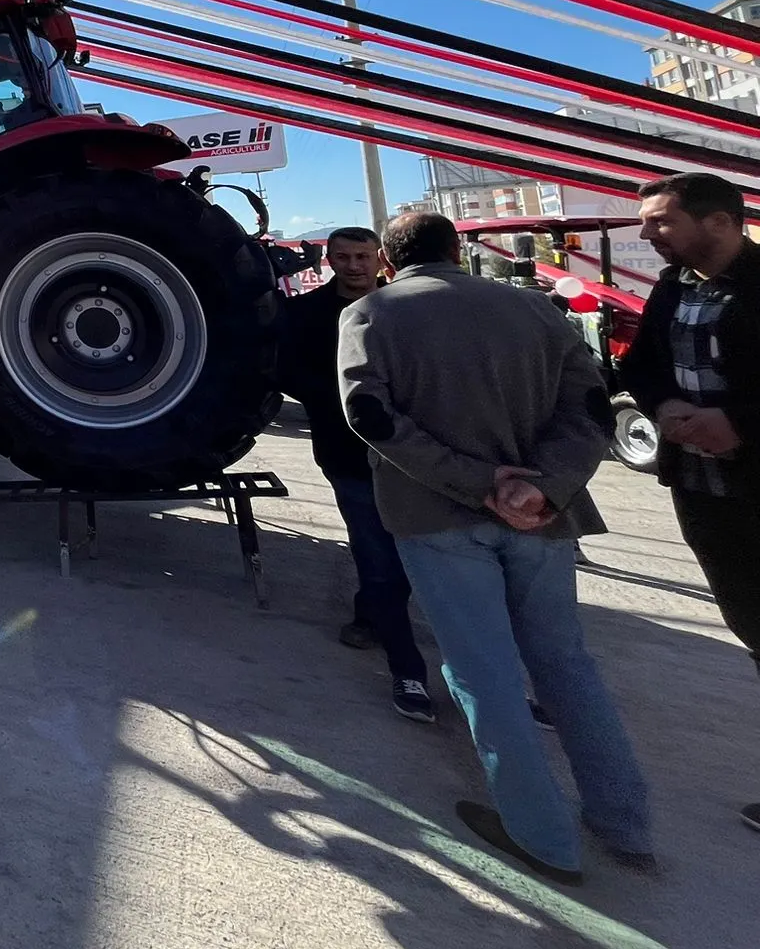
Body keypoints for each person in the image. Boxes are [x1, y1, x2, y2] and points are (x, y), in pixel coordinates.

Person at [340, 211, 653, 882]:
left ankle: (542, 838)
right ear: (458, 250)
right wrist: (542, 487)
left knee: (485, 676)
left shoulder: (370, 315)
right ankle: (624, 823)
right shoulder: (533, 309)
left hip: (436, 518)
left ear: (389, 261)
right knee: (567, 665)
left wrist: (480, 485)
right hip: (541, 520)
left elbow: (369, 417)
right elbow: (592, 409)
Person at [619, 171, 760, 834]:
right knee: (752, 626)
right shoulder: (675, 286)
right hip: (705, 494)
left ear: (722, 223)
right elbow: (641, 364)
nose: (646, 234)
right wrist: (667, 404)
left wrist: (742, 424)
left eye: (661, 221)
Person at [278, 227, 433, 718]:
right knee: (371, 540)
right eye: (342, 257)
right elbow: (287, 372)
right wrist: (344, 401)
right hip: (346, 449)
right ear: (329, 260)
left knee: (413, 540)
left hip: (413, 451)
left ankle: (384, 610)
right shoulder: (303, 314)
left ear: (379, 258)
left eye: (362, 256)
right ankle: (376, 621)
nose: (353, 265)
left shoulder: (406, 308)